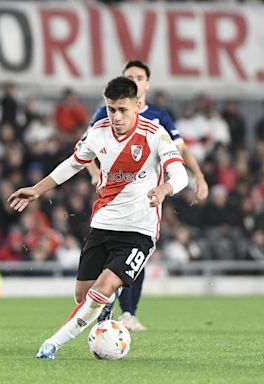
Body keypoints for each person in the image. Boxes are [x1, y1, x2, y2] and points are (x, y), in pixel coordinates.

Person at [8, 77, 188, 359]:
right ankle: (106, 302)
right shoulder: (98, 132)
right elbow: (72, 164)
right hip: (103, 224)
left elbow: (180, 174)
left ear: (138, 105)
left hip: (139, 231)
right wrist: (36, 190)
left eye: (123, 110)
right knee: (83, 295)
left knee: (102, 288)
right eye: (110, 109)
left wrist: (165, 188)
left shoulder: (155, 133)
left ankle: (52, 344)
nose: (116, 116)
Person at [88, 60, 209, 330]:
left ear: (147, 83)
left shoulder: (159, 116)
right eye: (130, 76)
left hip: (148, 195)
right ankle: (105, 300)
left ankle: (128, 312)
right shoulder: (106, 113)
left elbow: (180, 149)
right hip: (114, 194)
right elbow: (84, 150)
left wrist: (198, 175)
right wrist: (96, 175)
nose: (136, 80)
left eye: (140, 77)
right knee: (109, 248)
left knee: (138, 252)